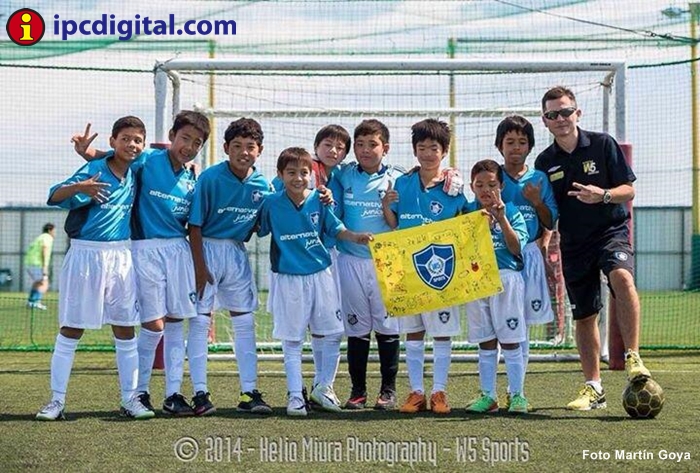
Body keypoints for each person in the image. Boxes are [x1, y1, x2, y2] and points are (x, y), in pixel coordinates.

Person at [71, 111, 212, 416]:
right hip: (144, 249)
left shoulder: (193, 178)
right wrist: (87, 152)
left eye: (196, 143)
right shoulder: (149, 159)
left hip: (178, 251)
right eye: (185, 138)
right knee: (153, 324)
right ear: (172, 136)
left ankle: (173, 394)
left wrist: (199, 266)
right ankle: (139, 393)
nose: (189, 146)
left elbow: (193, 225)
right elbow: (117, 156)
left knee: (176, 321)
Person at [535, 86, 651, 411]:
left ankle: (633, 357)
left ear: (577, 113)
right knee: (585, 315)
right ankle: (594, 389)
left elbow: (629, 190)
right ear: (545, 121)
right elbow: (549, 212)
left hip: (610, 232)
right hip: (574, 243)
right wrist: (543, 233)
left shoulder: (602, 144)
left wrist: (603, 195)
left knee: (622, 278)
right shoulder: (545, 162)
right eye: (553, 114)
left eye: (565, 111)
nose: (560, 119)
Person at [36, 116, 153, 421]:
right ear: (113, 141)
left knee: (125, 328)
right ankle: (56, 401)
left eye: (137, 140)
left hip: (121, 256)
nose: (132, 145)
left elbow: (165, 159)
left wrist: (192, 165)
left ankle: (130, 399)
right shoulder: (94, 170)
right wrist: (79, 187)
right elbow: (53, 195)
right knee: (72, 328)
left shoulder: (138, 169)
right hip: (86, 256)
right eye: (125, 138)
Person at [257, 147, 373, 416]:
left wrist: (356, 237)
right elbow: (257, 228)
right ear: (280, 175)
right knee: (293, 339)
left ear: (311, 175)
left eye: (303, 173)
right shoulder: (271, 203)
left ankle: (323, 387)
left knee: (331, 332)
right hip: (289, 278)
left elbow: (336, 228)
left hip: (321, 275)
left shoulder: (319, 200)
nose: (298, 178)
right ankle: (295, 396)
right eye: (291, 173)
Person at [380, 119, 468, 415]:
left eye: (434, 148)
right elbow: (394, 224)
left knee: (441, 334)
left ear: (444, 151)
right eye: (422, 148)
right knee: (413, 333)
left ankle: (439, 392)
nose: (428, 154)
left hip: (442, 274)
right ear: (414, 150)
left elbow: (468, 220)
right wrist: (385, 206)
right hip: (409, 271)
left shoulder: (454, 187)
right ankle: (416, 392)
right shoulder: (403, 183)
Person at [188, 117, 273, 415]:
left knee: (244, 319)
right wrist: (200, 267)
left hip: (236, 253)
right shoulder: (210, 178)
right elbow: (194, 225)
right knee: (200, 320)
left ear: (259, 150)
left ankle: (249, 392)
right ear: (226, 148)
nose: (243, 152)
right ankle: (200, 393)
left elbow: (260, 225)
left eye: (250, 146)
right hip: (205, 249)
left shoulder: (263, 185)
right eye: (237, 146)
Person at [271, 124, 352, 398]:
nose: (333, 151)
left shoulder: (342, 175)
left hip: (330, 259)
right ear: (316, 147)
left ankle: (322, 386)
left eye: (340, 147)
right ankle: (296, 392)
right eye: (328, 144)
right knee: (296, 332)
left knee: (328, 327)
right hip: (295, 263)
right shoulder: (301, 171)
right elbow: (276, 194)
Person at [328, 119, 404, 410]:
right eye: (359, 144)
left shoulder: (398, 177)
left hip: (387, 263)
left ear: (386, 148)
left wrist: (449, 173)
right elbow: (318, 165)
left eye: (372, 144)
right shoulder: (344, 174)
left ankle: (388, 390)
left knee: (388, 326)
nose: (365, 150)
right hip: (350, 261)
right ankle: (357, 390)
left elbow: (425, 177)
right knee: (356, 328)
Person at [495, 115, 558, 408]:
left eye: (522, 142)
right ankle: (489, 391)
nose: (516, 148)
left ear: (530, 147)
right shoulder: (493, 175)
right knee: (497, 324)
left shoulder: (539, 179)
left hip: (529, 255)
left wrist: (536, 201)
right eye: (510, 142)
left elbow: (550, 221)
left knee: (522, 326)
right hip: (497, 256)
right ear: (500, 146)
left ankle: (516, 390)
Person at [465, 159, 530, 414]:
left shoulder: (511, 212)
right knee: (486, 342)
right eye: (479, 185)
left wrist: (501, 220)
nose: (486, 190)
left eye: (491, 184)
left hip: (506, 279)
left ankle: (517, 395)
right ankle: (488, 396)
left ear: (501, 186)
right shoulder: (467, 213)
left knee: (511, 341)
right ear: (472, 187)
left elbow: (515, 248)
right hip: (477, 281)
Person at [24, 223, 55, 310]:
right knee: (44, 283)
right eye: (54, 231)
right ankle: (36, 302)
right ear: (50, 230)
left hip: (29, 262)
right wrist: (45, 266)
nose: (54, 233)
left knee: (37, 282)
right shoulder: (47, 237)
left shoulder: (40, 237)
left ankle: (31, 302)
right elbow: (44, 249)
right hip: (37, 263)